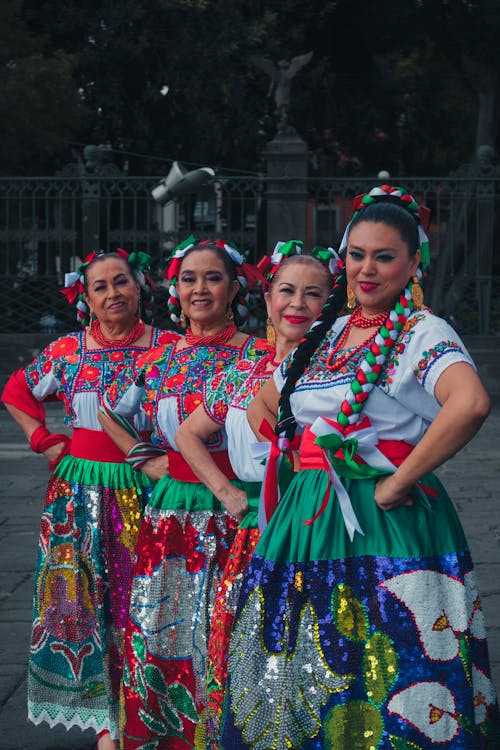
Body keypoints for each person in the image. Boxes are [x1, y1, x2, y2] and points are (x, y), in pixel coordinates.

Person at [221, 185, 500, 749]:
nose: (366, 269)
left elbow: (469, 403)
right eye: (356, 255)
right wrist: (301, 452)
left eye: (384, 256)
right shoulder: (329, 332)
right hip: (307, 516)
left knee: (388, 654)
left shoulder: (422, 332)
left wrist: (399, 479)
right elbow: (265, 405)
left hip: (383, 517)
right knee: (299, 663)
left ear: (414, 262)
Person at [97, 236, 265, 749]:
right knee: (162, 627)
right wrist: (147, 460)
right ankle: (166, 734)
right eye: (189, 278)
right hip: (172, 512)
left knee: (234, 629)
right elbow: (109, 410)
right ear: (175, 289)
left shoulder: (258, 354)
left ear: (235, 288)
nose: (200, 288)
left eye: (213, 278)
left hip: (239, 510)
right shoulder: (159, 358)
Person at [1, 248, 173, 750]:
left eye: (121, 282)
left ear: (140, 287)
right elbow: (16, 392)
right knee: (81, 600)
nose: (113, 293)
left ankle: (150, 708)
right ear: (87, 297)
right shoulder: (68, 351)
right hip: (76, 497)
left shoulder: (167, 348)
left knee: (142, 600)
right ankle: (107, 719)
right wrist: (45, 440)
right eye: (100, 286)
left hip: (145, 489)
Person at [175, 241, 336, 745]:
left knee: (315, 648)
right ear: (267, 301)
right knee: (244, 647)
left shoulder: (338, 371)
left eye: (314, 294)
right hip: (252, 531)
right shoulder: (244, 373)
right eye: (286, 290)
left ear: (332, 304)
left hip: (317, 526)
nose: (297, 304)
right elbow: (187, 434)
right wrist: (225, 490)